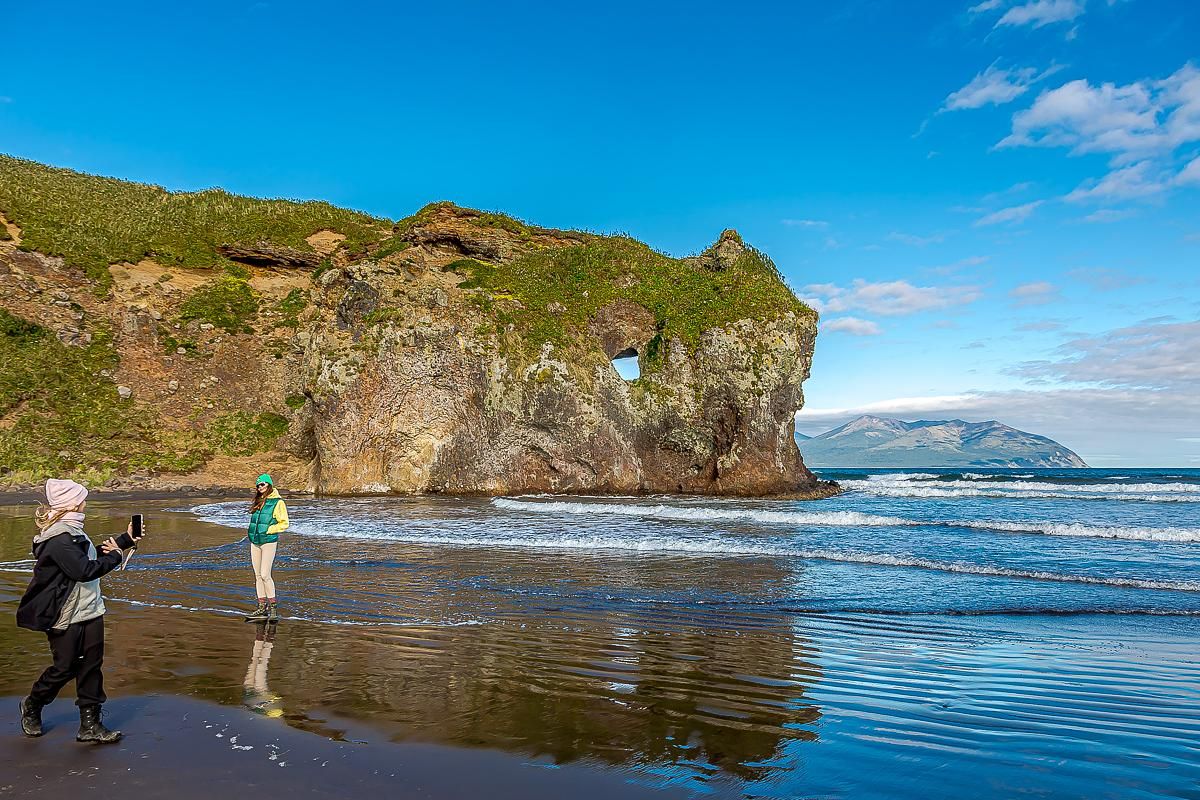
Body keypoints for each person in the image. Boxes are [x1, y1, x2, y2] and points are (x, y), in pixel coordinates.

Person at [16, 478, 144, 743]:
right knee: (65, 667)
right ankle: (32, 704)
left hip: (90, 610)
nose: (85, 501)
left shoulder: (71, 531)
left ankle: (91, 725)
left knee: (91, 667)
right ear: (73, 503)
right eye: (83, 498)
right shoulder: (59, 538)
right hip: (64, 614)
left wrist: (125, 540)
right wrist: (116, 557)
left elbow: (85, 559)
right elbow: (83, 570)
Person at [246, 473, 289, 622]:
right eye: (258, 485)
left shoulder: (278, 502)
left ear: (269, 484)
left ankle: (273, 608)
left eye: (262, 484)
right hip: (255, 541)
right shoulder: (258, 500)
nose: (260, 487)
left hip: (268, 541)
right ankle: (261, 607)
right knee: (258, 576)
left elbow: (284, 523)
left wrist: (269, 530)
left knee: (265, 575)